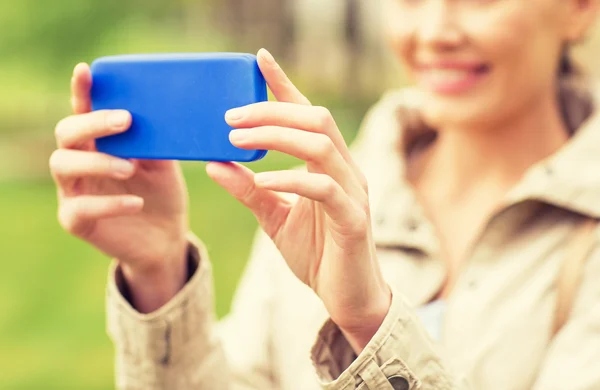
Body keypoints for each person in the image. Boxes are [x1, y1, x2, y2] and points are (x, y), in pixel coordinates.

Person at [50, 0, 600, 389]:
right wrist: (159, 274)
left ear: (579, 7)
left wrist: (369, 324)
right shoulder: (328, 189)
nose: (435, 31)